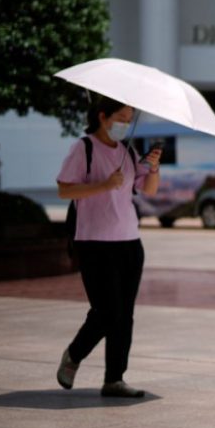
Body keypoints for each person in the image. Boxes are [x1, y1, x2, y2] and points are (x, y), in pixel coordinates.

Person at [55, 96, 162, 398]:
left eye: (129, 119)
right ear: (103, 116)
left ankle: (114, 378)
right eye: (122, 117)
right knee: (105, 312)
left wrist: (153, 168)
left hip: (129, 243)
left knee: (124, 314)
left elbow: (148, 190)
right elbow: (64, 189)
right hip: (93, 243)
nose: (126, 124)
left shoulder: (128, 153)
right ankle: (74, 355)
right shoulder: (84, 148)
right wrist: (104, 184)